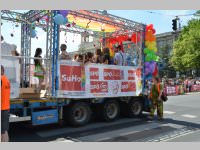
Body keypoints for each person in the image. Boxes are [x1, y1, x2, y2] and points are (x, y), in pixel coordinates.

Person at [1, 65, 11, 142]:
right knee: (4, 131)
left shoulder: (1, 79)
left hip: (2, 109)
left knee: (2, 132)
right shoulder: (6, 79)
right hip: (6, 107)